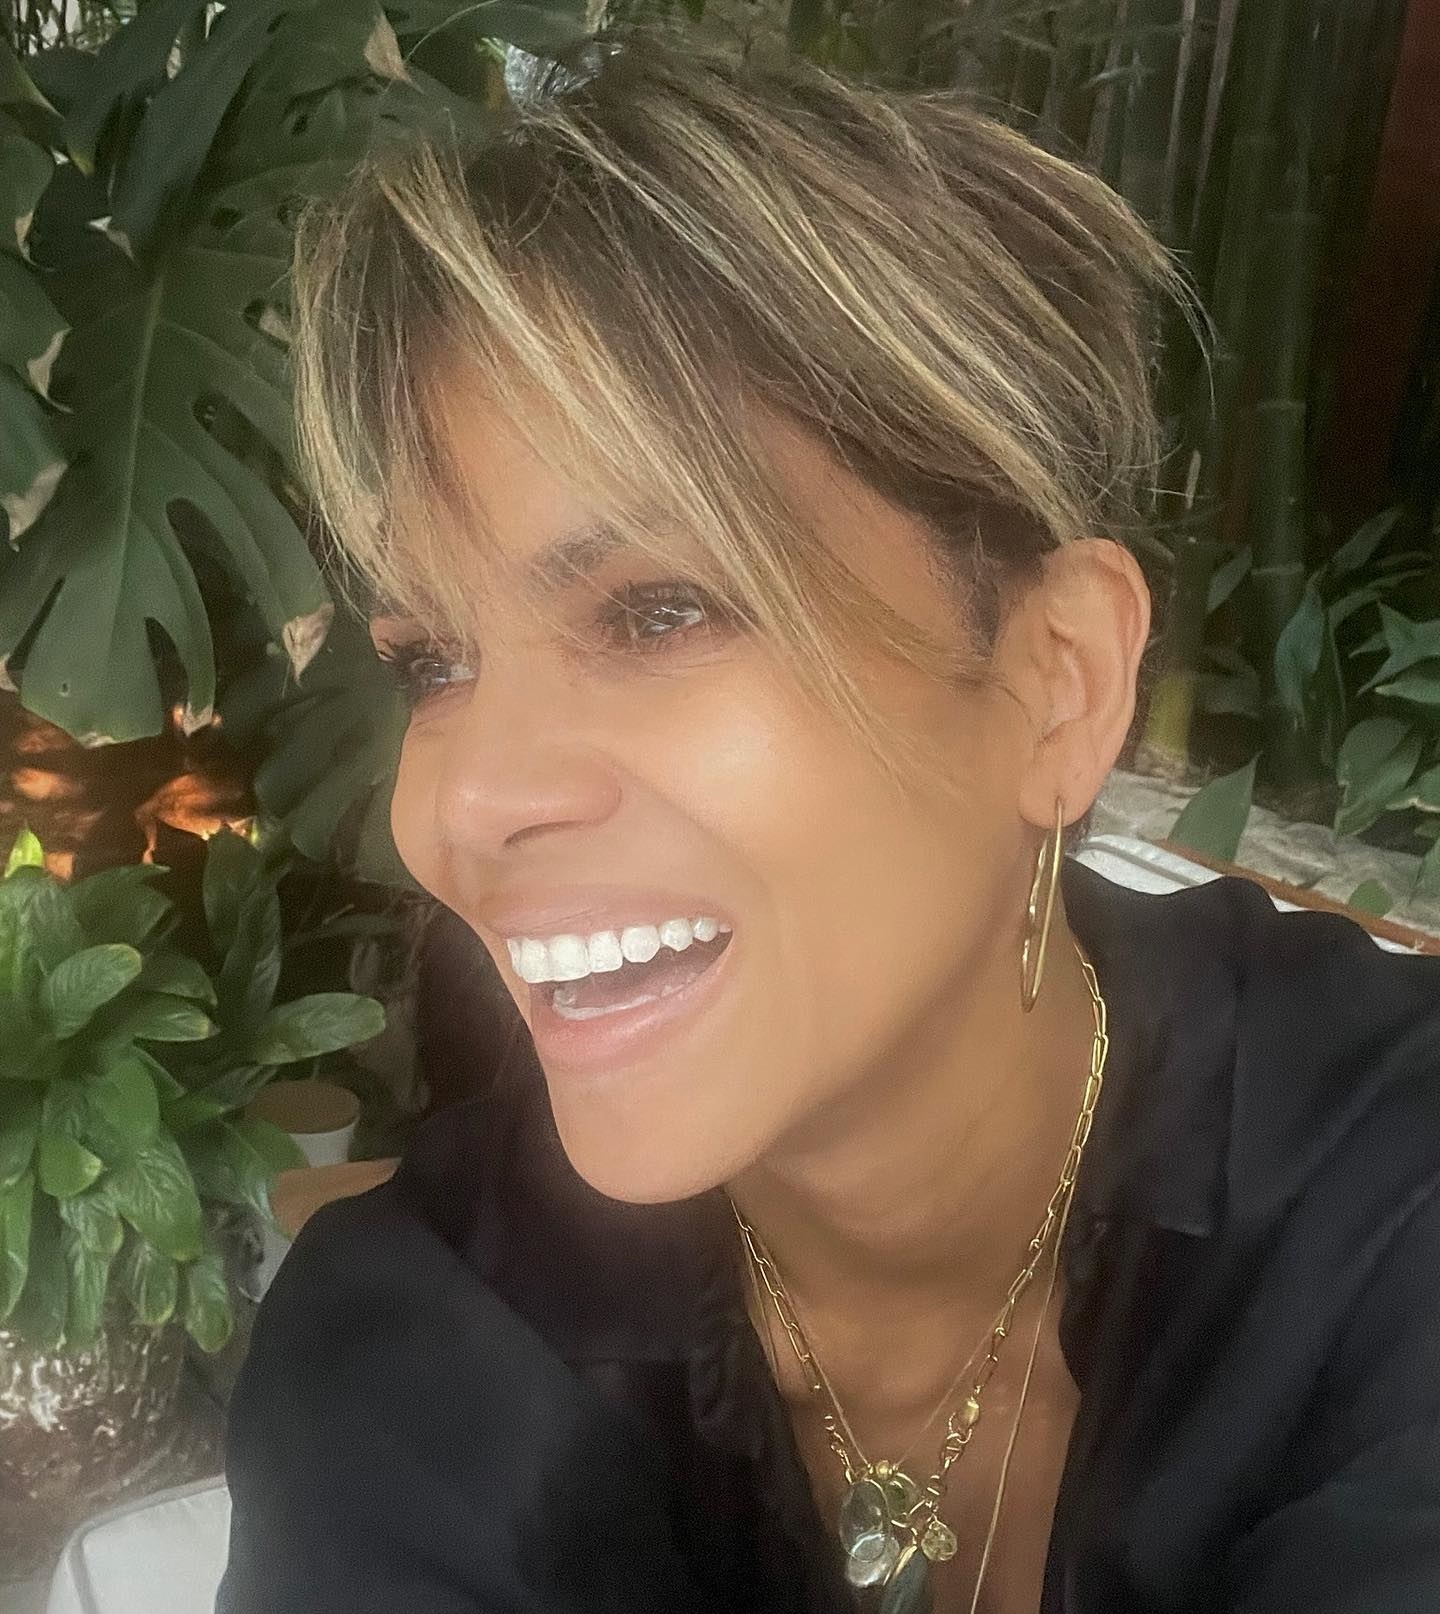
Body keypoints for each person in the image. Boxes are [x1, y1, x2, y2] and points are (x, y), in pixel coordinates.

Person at [218, 32, 1440, 1614]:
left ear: (1057, 683)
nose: (463, 800)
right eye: (432, 663)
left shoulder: (1389, 1202)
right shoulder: (412, 1374)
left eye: (658, 610)